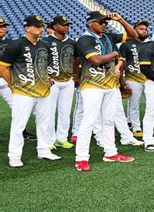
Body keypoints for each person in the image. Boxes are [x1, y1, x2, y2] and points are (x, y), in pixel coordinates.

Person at [74, 11, 138, 172]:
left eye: (105, 22)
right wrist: (115, 53)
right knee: (89, 121)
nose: (104, 24)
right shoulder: (84, 39)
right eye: (100, 22)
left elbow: (133, 35)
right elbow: (95, 61)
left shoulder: (108, 36)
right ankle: (81, 158)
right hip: (92, 86)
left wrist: (120, 20)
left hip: (110, 85)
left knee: (109, 120)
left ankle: (110, 153)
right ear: (90, 24)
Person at [0, 15, 62, 167]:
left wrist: (47, 77)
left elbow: (44, 66)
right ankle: (14, 155)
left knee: (45, 122)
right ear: (27, 28)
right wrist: (12, 84)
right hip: (23, 91)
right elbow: (3, 67)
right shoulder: (16, 45)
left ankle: (44, 150)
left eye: (42, 26)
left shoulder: (44, 45)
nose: (41, 29)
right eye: (37, 26)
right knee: (19, 124)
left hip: (43, 91)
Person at [43, 15, 76, 149]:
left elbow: (76, 59)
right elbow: (39, 60)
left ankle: (61, 138)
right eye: (63, 25)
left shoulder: (72, 42)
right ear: (55, 26)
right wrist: (44, 76)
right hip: (52, 82)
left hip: (68, 81)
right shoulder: (45, 41)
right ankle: (49, 140)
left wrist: (75, 74)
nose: (66, 27)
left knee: (65, 111)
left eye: (68, 25)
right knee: (49, 112)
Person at [118, 20, 151, 138]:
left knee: (152, 104)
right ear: (134, 30)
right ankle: (136, 127)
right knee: (134, 105)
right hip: (132, 78)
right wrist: (121, 82)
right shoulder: (126, 44)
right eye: (141, 29)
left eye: (145, 29)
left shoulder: (150, 44)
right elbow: (121, 64)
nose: (144, 31)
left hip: (148, 79)